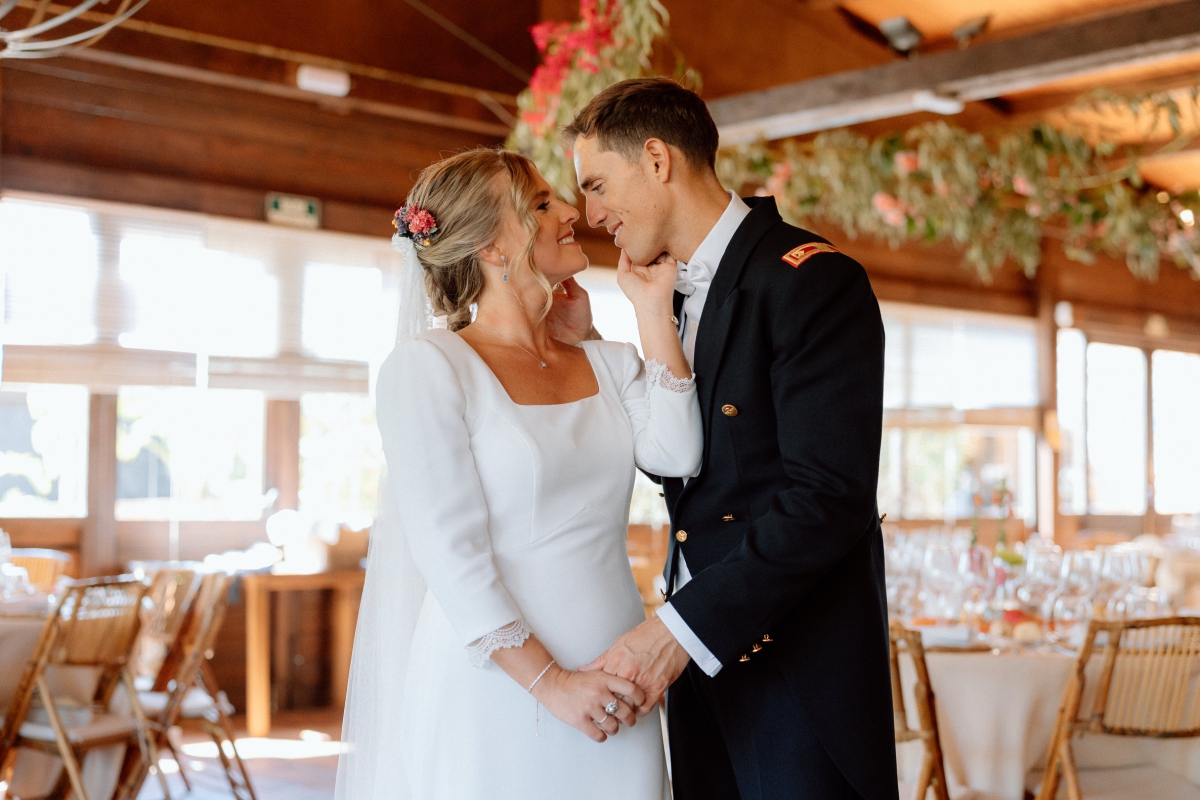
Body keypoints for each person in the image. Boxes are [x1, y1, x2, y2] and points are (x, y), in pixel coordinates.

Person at [334, 148, 702, 800]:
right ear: (492, 249)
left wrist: (649, 311)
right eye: (539, 204)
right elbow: (451, 554)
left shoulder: (604, 361)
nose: (570, 212)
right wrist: (552, 684)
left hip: (617, 683)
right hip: (496, 691)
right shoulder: (430, 368)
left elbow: (678, 454)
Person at [566, 78, 898, 800]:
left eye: (597, 185)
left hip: (795, 669)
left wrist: (678, 631)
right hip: (698, 666)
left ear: (657, 160)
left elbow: (829, 499)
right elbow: (695, 473)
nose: (592, 215)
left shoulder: (812, 282)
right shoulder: (665, 295)